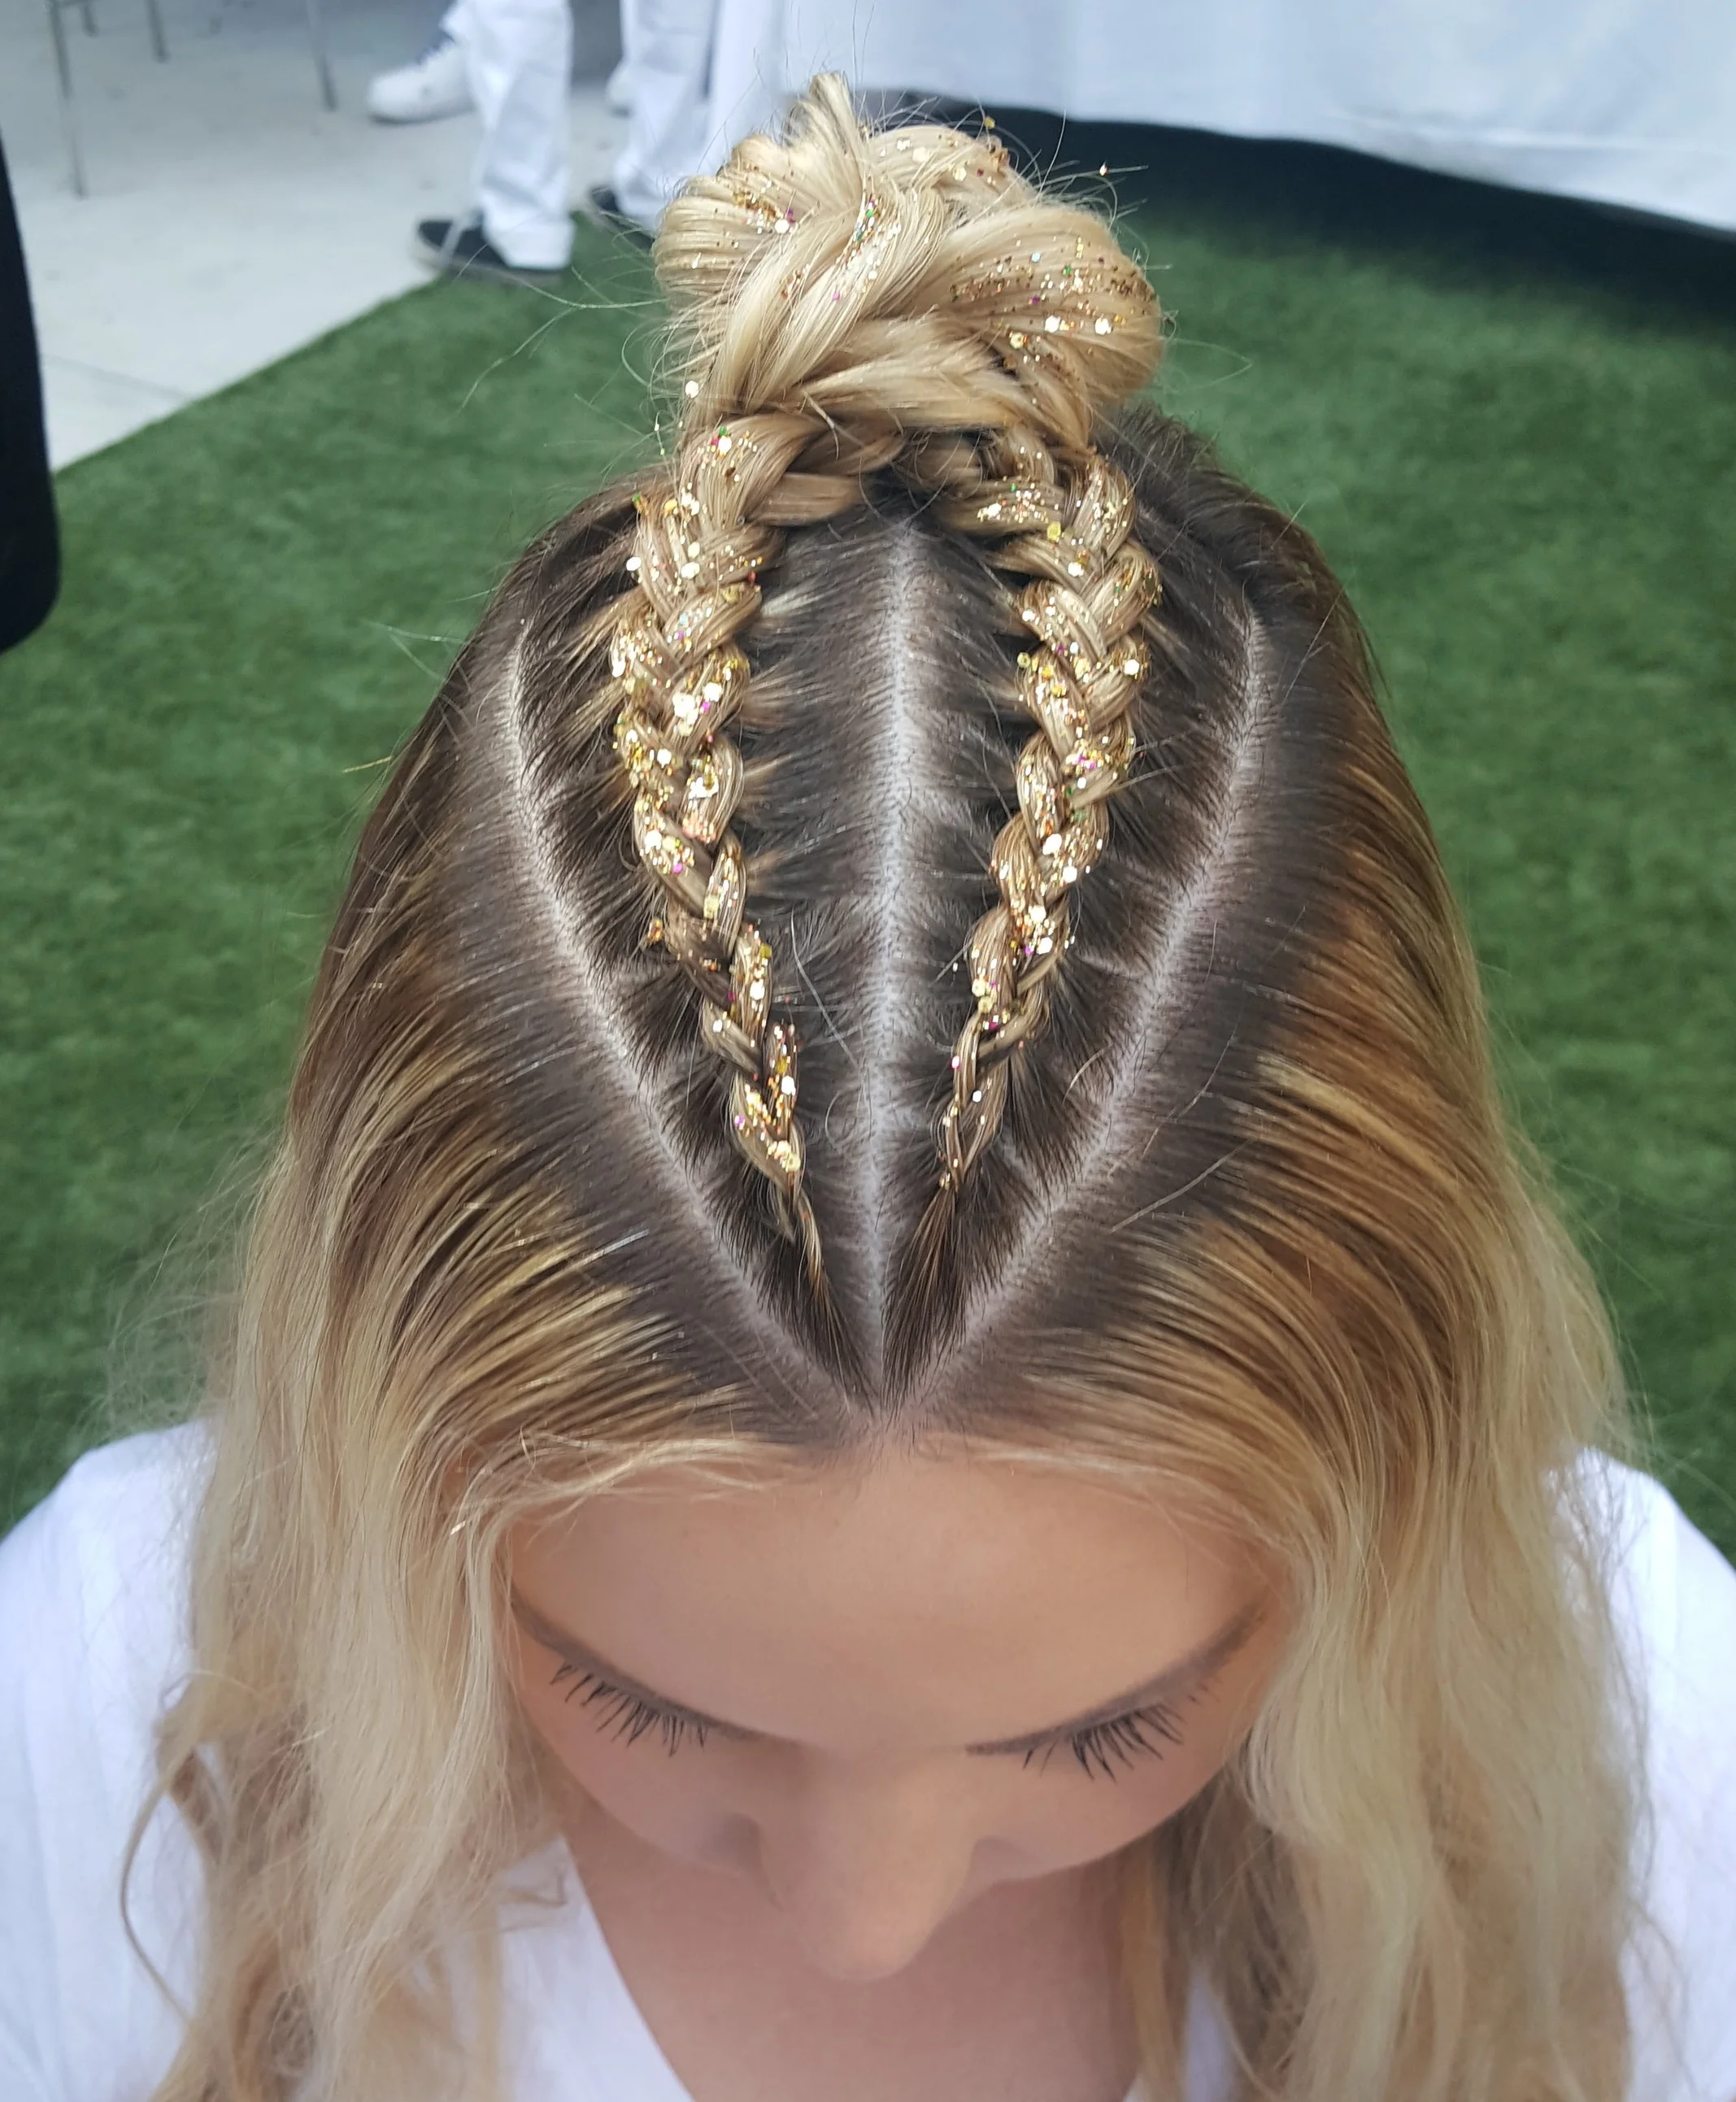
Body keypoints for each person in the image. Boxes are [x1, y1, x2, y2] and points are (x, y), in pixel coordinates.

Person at [2, 73, 1734, 2102]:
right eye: (646, 1703)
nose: (865, 1919)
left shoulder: (1653, 1735)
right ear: (376, 1409)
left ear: (1399, 1483)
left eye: (1095, 1728)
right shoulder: (93, 1708)